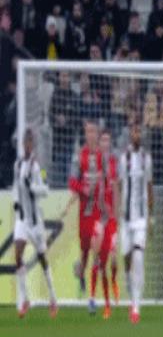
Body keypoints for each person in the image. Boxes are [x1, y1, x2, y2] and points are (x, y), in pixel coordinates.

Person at [13, 129, 57, 319]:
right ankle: (25, 299)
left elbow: (45, 190)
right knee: (17, 255)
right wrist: (16, 202)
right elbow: (16, 186)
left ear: (33, 145)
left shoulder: (36, 167)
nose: (28, 145)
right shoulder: (17, 164)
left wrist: (32, 187)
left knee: (42, 259)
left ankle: (53, 298)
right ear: (23, 143)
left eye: (30, 142)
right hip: (22, 220)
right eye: (26, 142)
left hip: (36, 222)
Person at [65, 120, 104, 308]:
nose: (91, 135)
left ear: (97, 134)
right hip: (85, 212)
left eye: (93, 131)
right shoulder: (79, 156)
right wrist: (83, 189)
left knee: (96, 249)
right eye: (88, 131)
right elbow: (72, 182)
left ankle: (92, 297)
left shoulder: (103, 156)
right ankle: (80, 273)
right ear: (85, 134)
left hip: (99, 210)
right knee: (86, 252)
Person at [119, 123, 153, 324]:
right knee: (127, 257)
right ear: (130, 134)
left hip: (140, 217)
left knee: (138, 257)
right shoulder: (124, 158)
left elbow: (149, 186)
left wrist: (151, 217)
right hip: (126, 218)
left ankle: (136, 306)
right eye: (133, 131)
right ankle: (129, 283)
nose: (136, 134)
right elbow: (120, 184)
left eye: (139, 131)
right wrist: (118, 209)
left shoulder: (146, 159)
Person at [89, 129, 119, 319]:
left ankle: (114, 280)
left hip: (112, 220)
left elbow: (117, 190)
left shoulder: (114, 164)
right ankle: (95, 300)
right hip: (99, 218)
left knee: (114, 261)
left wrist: (115, 213)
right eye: (103, 140)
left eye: (108, 140)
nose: (105, 143)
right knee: (98, 260)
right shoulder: (95, 164)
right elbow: (93, 192)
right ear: (99, 144)